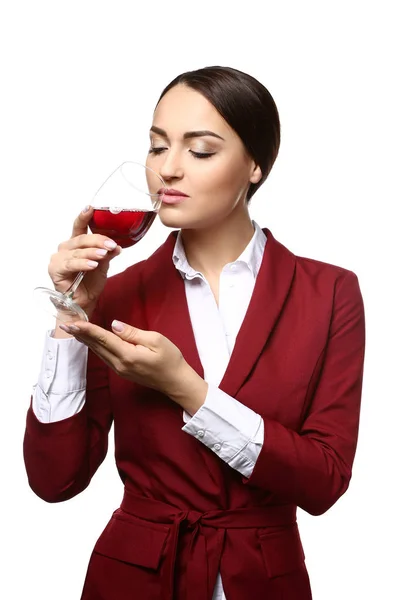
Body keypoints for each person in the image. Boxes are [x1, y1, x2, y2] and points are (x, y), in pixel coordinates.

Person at [23, 66, 366, 600]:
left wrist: (186, 388)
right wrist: (73, 317)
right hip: (132, 579)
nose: (169, 170)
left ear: (255, 165)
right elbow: (54, 481)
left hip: (264, 578)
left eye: (201, 150)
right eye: (158, 147)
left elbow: (323, 482)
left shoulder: (329, 292)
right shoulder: (116, 291)